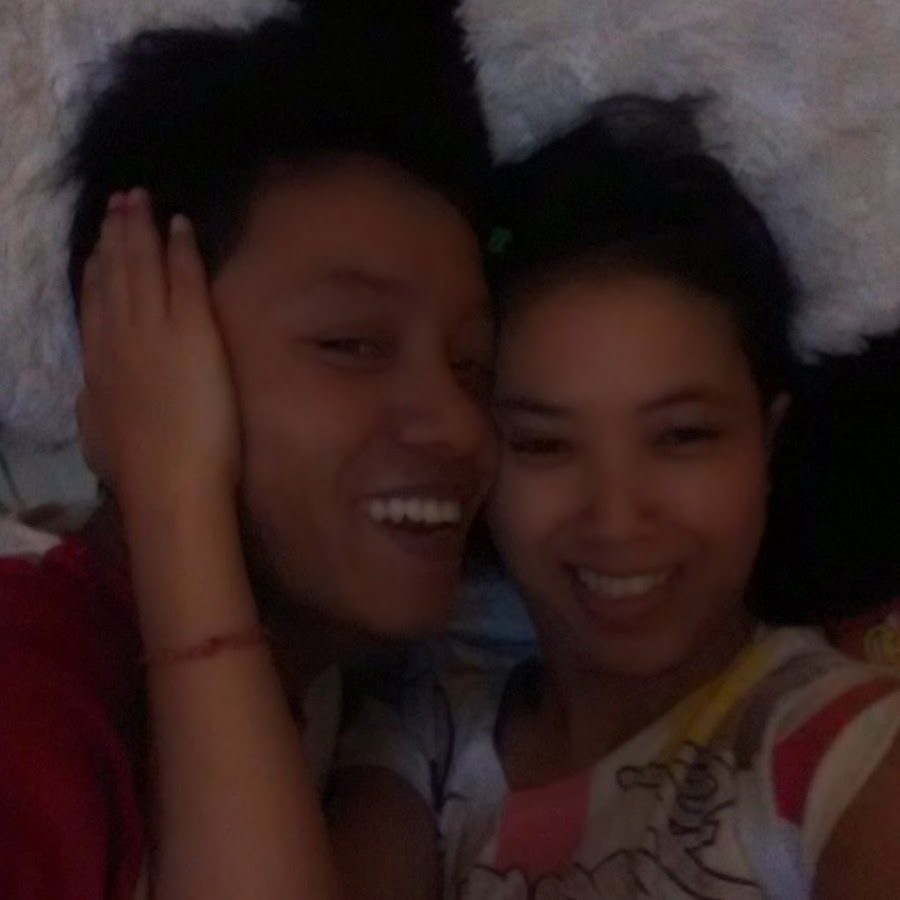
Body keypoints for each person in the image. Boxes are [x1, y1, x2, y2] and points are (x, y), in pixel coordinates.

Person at [336, 97, 900, 899]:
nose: (616, 517)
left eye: (683, 437)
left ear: (767, 443)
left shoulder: (849, 756)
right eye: (543, 444)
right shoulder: (419, 742)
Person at [0, 2, 497, 898]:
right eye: (352, 344)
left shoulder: (359, 702)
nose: (460, 426)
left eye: (474, 367)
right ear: (143, 357)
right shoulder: (29, 691)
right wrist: (174, 493)